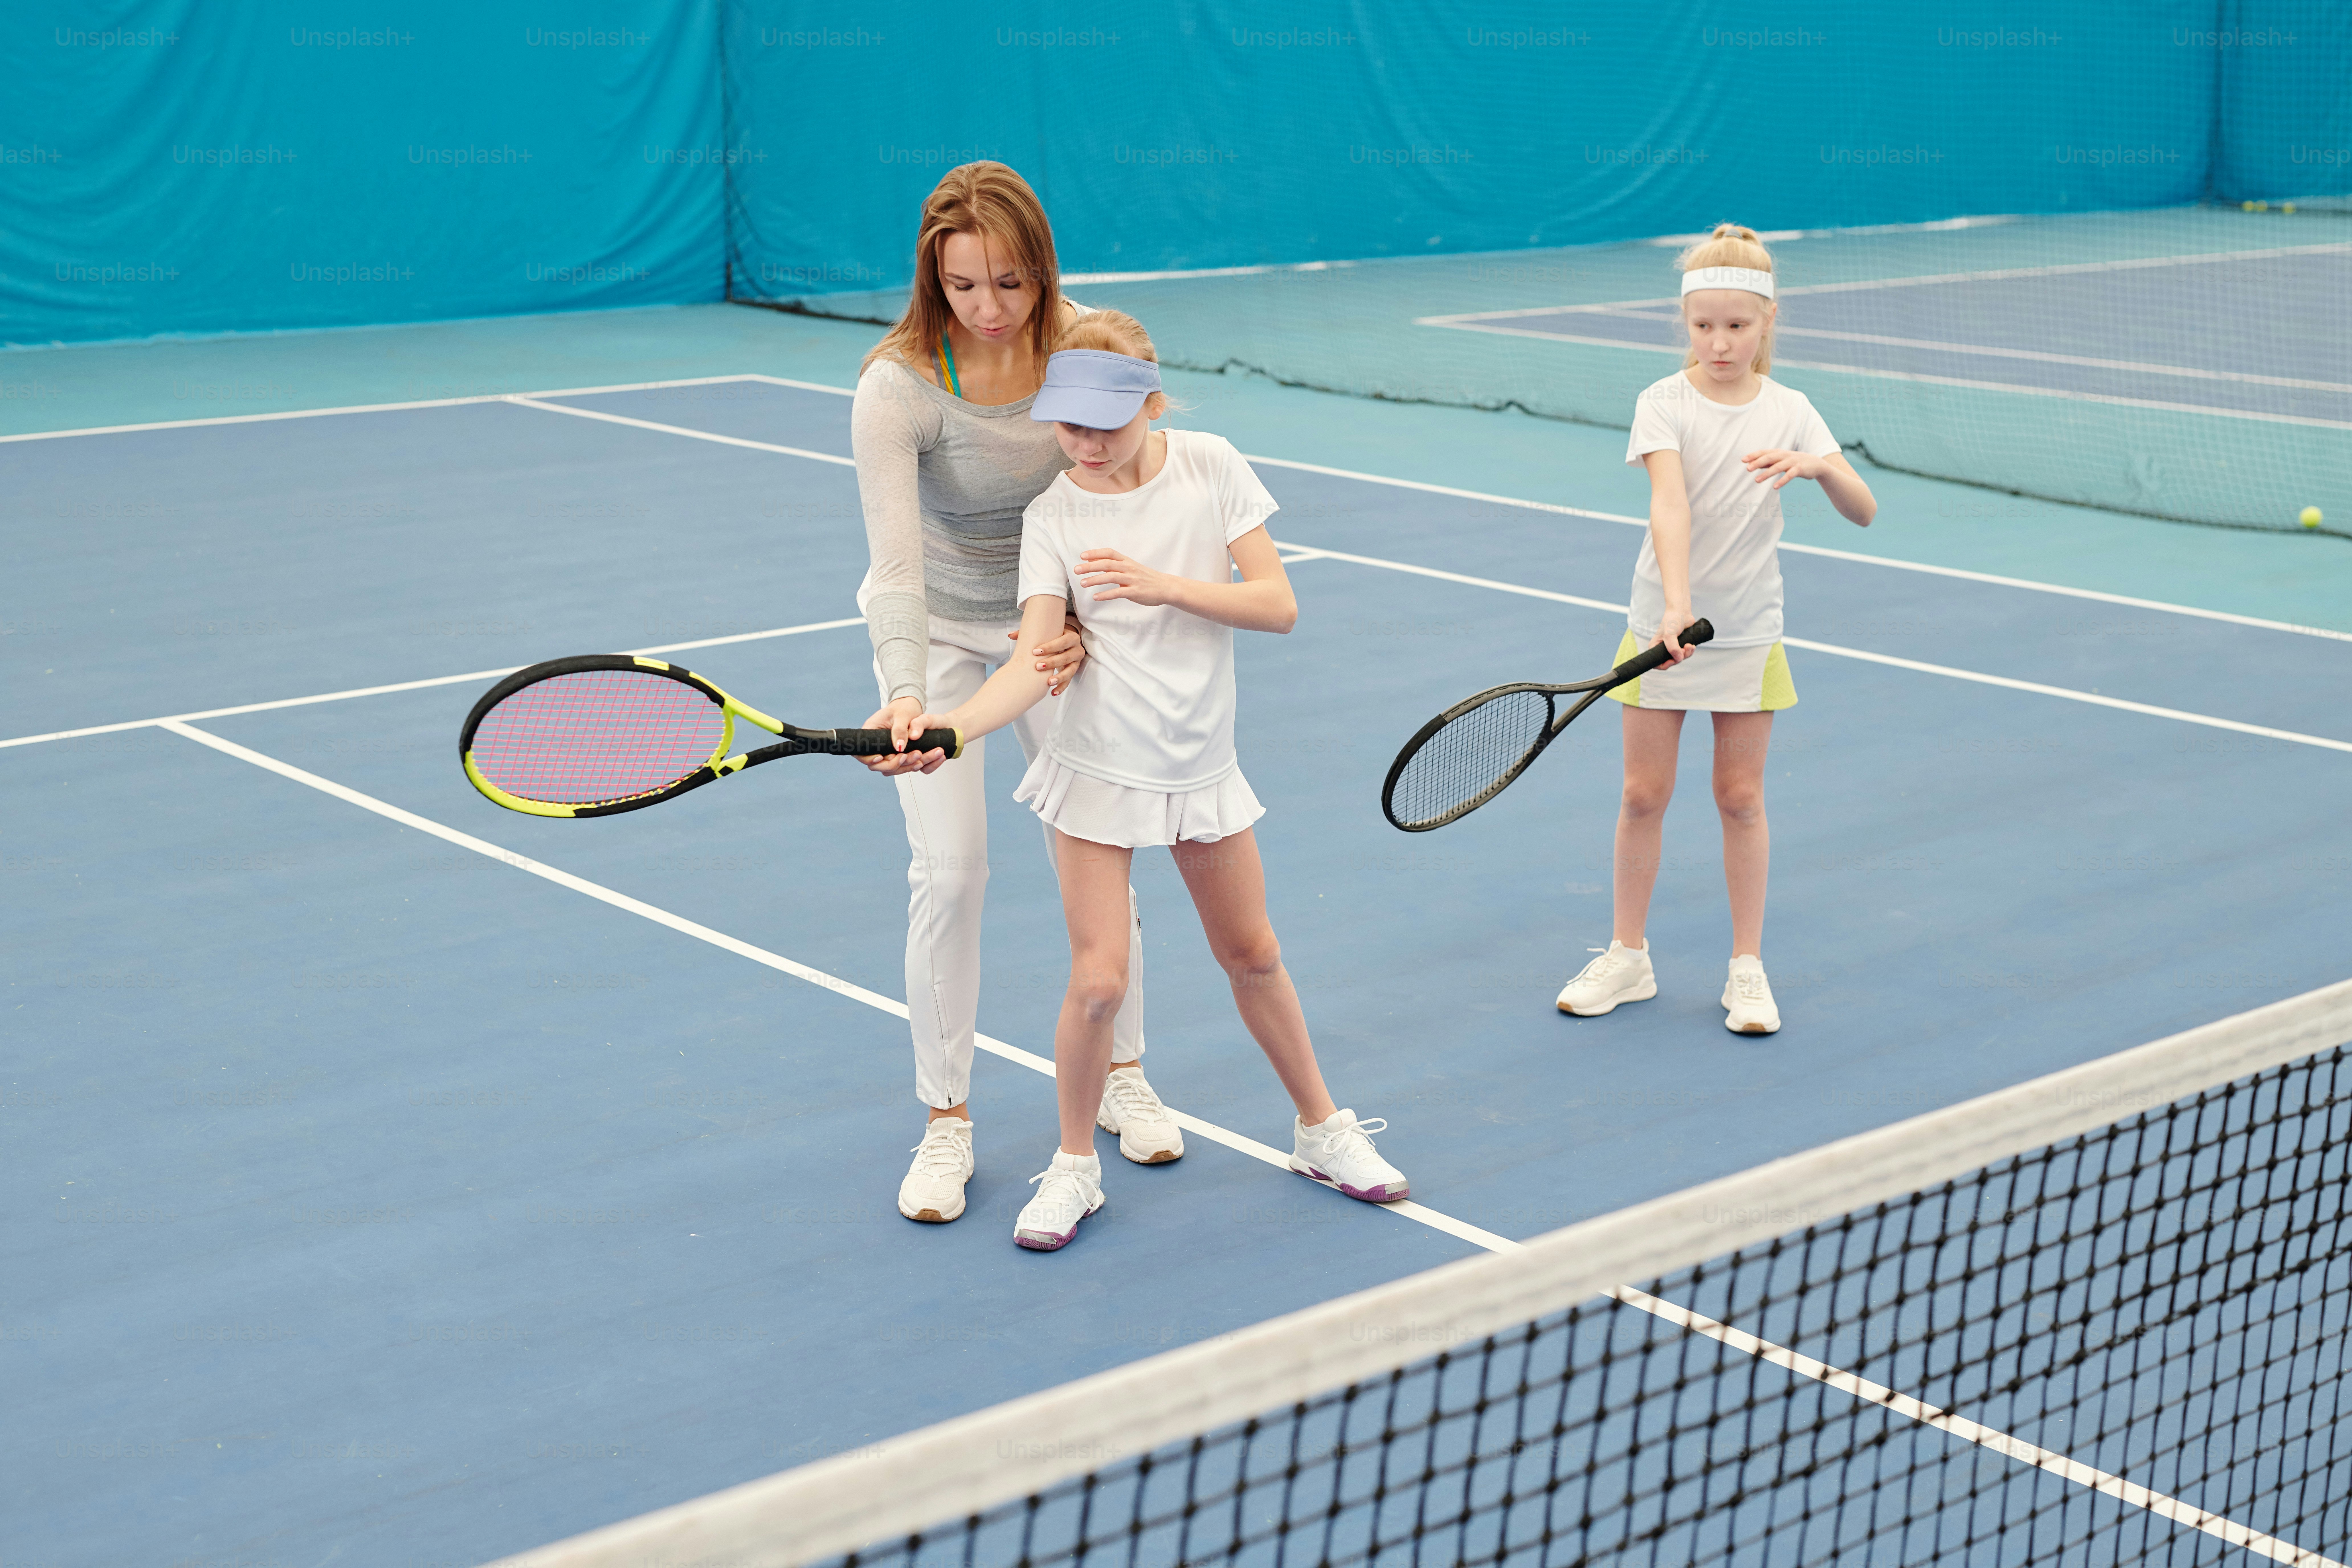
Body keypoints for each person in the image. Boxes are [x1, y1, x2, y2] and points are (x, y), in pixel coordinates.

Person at [907, 311, 1409, 1251]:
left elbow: (1278, 604)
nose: (1086, 444)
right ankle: (1072, 1170)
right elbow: (1031, 657)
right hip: (1094, 768)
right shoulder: (1052, 514)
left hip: (1199, 768)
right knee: (1098, 981)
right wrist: (955, 728)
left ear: (1150, 399)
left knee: (1253, 956)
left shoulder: (1213, 465)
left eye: (1106, 421)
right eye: (1068, 424)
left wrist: (1162, 584)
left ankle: (1321, 1131)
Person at [851, 162, 1176, 1227]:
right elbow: (896, 567)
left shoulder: (1081, 348)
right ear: (932, 283)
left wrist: (1082, 616)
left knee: (1099, 857)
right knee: (950, 873)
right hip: (940, 634)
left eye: (1010, 284)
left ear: (1043, 272)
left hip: (1057, 630)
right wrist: (905, 693)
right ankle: (948, 1122)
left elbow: (1130, 475)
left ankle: (1122, 1068)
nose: (989, 311)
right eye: (962, 288)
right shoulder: (895, 385)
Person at [1555, 224, 1876, 1035]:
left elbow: (1864, 511)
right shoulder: (1662, 402)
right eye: (1704, 326)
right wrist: (1672, 604)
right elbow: (1671, 502)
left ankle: (1747, 969)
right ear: (1685, 323)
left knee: (1739, 798)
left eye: (1737, 325)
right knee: (1642, 796)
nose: (1720, 342)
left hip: (1747, 634)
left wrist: (1821, 465)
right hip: (1661, 627)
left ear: (1768, 320)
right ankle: (1628, 956)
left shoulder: (1793, 411)